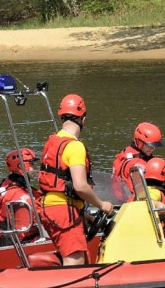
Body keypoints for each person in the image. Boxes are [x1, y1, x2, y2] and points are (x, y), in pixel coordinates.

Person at [36, 93, 114, 266]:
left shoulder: (53, 142)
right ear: (83, 118)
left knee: (79, 259)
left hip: (49, 208)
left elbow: (59, 183)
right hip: (64, 214)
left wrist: (82, 212)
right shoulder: (75, 146)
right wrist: (102, 205)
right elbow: (80, 186)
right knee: (75, 264)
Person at [0, 148, 41, 248]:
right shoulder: (18, 195)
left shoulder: (5, 187)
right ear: (22, 166)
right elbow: (24, 231)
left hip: (1, 242)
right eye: (32, 164)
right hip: (18, 245)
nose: (35, 167)